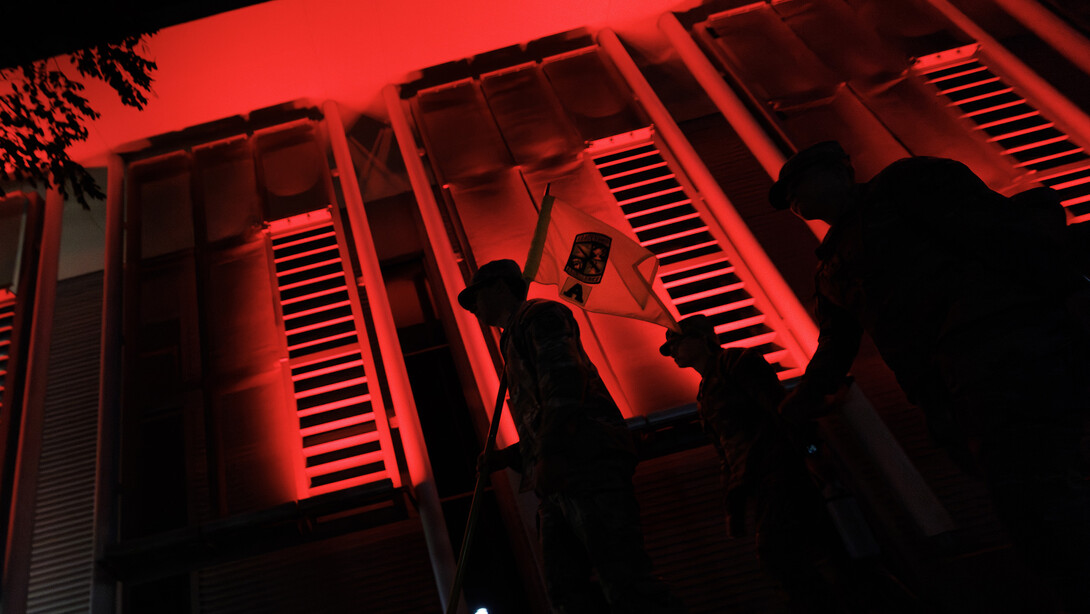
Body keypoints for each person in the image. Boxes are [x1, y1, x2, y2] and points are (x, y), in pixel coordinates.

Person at [770, 141, 1090, 612]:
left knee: (1041, 490)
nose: (795, 200)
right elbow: (836, 347)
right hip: (951, 393)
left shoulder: (905, 184)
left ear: (840, 170)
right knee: (1026, 504)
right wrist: (798, 402)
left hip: (1002, 350)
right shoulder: (830, 270)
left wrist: (1061, 292)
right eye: (789, 197)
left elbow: (995, 232)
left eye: (800, 183)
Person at [458, 258, 683, 614]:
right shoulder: (515, 337)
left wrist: (549, 454)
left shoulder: (539, 316)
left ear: (501, 287)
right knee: (565, 590)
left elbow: (564, 383)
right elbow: (544, 411)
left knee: (624, 580)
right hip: (559, 475)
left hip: (584, 463)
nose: (475, 309)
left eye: (477, 297)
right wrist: (513, 457)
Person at [660, 314, 854, 613]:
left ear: (701, 338)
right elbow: (726, 452)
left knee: (780, 556)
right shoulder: (704, 393)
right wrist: (732, 506)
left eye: (676, 341)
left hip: (780, 471)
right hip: (759, 482)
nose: (671, 350)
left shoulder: (738, 363)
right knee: (815, 554)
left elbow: (781, 411)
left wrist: (812, 453)